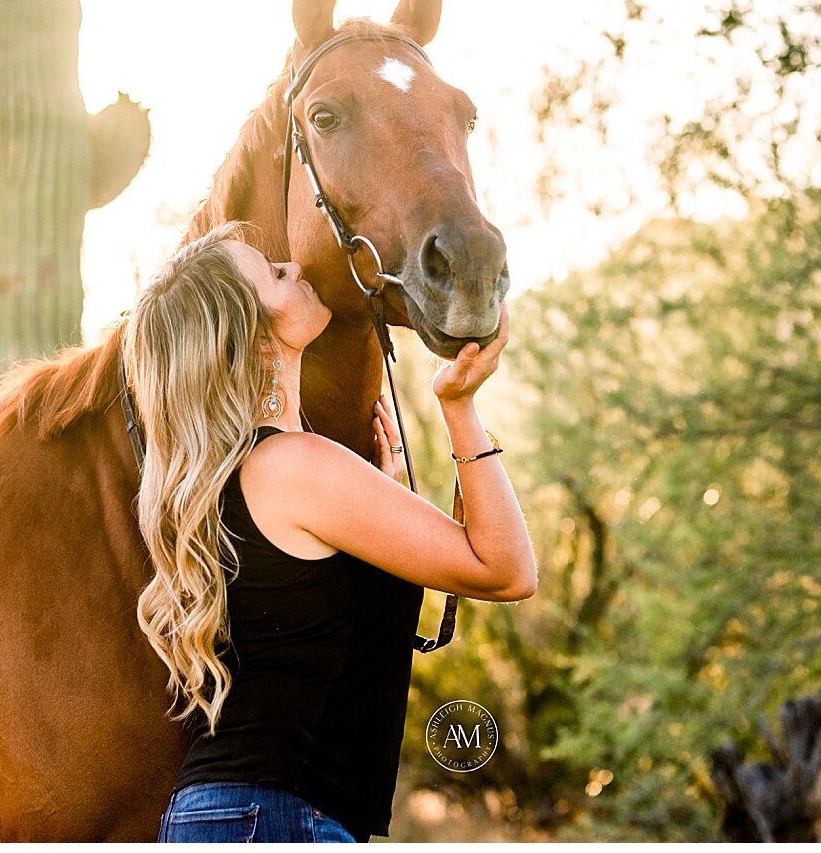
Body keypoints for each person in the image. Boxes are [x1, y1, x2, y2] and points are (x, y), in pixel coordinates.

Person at [121, 220, 536, 843]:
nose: (295, 268)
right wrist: (460, 409)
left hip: (237, 816)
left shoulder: (241, 474)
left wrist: (381, 493)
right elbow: (507, 570)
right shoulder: (294, 466)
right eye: (274, 275)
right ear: (256, 341)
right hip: (275, 819)